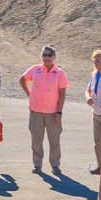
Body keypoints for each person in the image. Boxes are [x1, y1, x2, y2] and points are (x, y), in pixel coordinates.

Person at [20, 45, 69, 177]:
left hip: (53, 113)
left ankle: (55, 165)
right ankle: (37, 165)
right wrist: (29, 94)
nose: (46, 58)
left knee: (54, 141)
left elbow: (62, 94)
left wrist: (59, 112)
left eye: (49, 55)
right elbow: (22, 79)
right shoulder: (36, 69)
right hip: (36, 112)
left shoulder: (59, 73)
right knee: (36, 140)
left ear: (54, 57)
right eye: (44, 55)